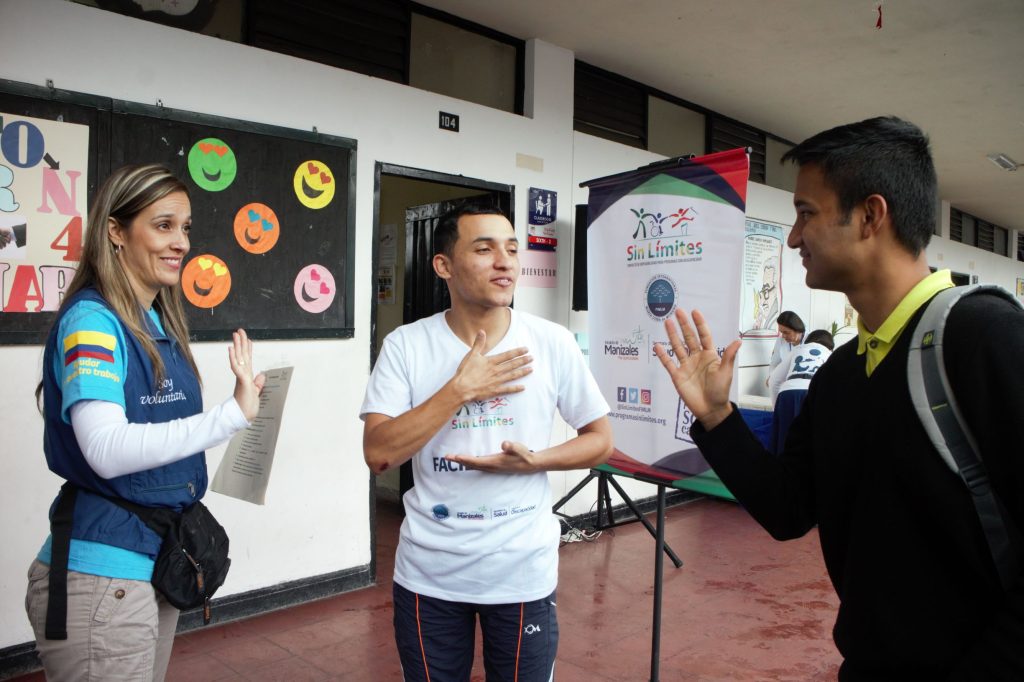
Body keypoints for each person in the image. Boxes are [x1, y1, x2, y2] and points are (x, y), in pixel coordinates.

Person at [654, 117, 1024, 679]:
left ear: (871, 216)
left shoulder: (987, 338)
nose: (793, 237)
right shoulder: (842, 373)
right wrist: (716, 416)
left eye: (806, 213)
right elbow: (788, 510)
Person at [25, 165, 266, 682]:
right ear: (116, 231)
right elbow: (106, 449)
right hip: (103, 578)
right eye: (163, 225)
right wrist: (230, 416)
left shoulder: (153, 319)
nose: (180, 241)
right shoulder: (93, 322)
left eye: (185, 227)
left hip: (151, 565)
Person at [361, 203, 612, 682]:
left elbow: (600, 440)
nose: (505, 262)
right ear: (444, 266)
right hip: (429, 574)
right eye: (485, 248)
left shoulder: (551, 341)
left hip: (522, 572)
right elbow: (379, 453)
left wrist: (536, 461)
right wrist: (460, 390)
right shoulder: (407, 346)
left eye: (512, 249)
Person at [768, 329, 834, 453]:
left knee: (784, 442)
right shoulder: (830, 354)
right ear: (830, 347)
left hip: (787, 393)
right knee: (811, 441)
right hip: (812, 394)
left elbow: (774, 381)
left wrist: (776, 408)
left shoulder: (798, 349)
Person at [767, 310, 805, 378]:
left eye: (786, 332)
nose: (783, 336)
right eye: (781, 332)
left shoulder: (810, 339)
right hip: (784, 381)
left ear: (797, 329)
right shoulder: (780, 340)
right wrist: (771, 377)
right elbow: (775, 363)